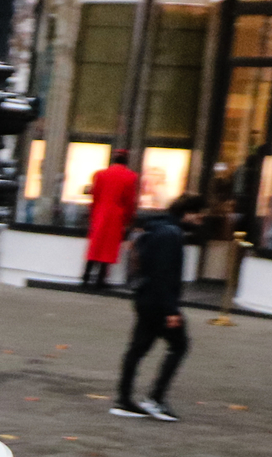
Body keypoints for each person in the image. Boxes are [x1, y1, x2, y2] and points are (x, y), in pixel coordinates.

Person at [114, 192, 205, 421]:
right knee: (179, 345)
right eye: (199, 215)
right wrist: (171, 310)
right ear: (188, 213)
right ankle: (155, 398)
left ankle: (124, 400)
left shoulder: (155, 228)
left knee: (138, 349)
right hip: (158, 302)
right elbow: (164, 274)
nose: (201, 220)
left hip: (145, 297)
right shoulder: (171, 234)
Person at [81, 150, 139, 287]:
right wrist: (128, 219)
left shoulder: (100, 175)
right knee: (109, 248)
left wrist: (92, 214)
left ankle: (86, 275)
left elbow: (94, 196)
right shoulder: (130, 176)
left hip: (100, 212)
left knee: (95, 246)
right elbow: (130, 200)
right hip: (116, 215)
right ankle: (101, 279)